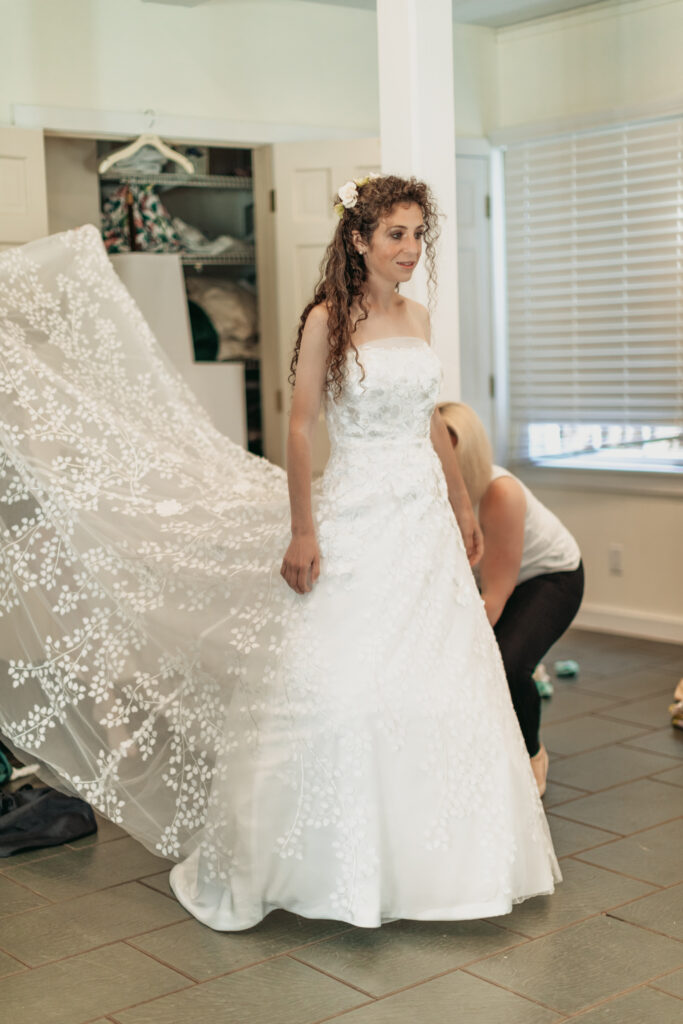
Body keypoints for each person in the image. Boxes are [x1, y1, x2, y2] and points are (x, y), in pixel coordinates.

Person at [0, 179, 559, 935]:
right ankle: (319, 864)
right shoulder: (327, 318)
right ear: (358, 239)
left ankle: (439, 867)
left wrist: (461, 505)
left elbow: (424, 417)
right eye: (395, 233)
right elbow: (299, 428)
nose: (410, 249)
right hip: (356, 515)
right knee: (334, 683)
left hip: (421, 524)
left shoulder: (418, 317)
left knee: (437, 683)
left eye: (419, 235)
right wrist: (303, 529)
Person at [438, 402, 585, 795]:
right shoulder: (432, 498)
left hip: (551, 577)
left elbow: (494, 597)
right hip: (498, 583)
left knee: (505, 663)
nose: (441, 464)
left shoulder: (499, 493)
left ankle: (532, 753)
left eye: (450, 454)